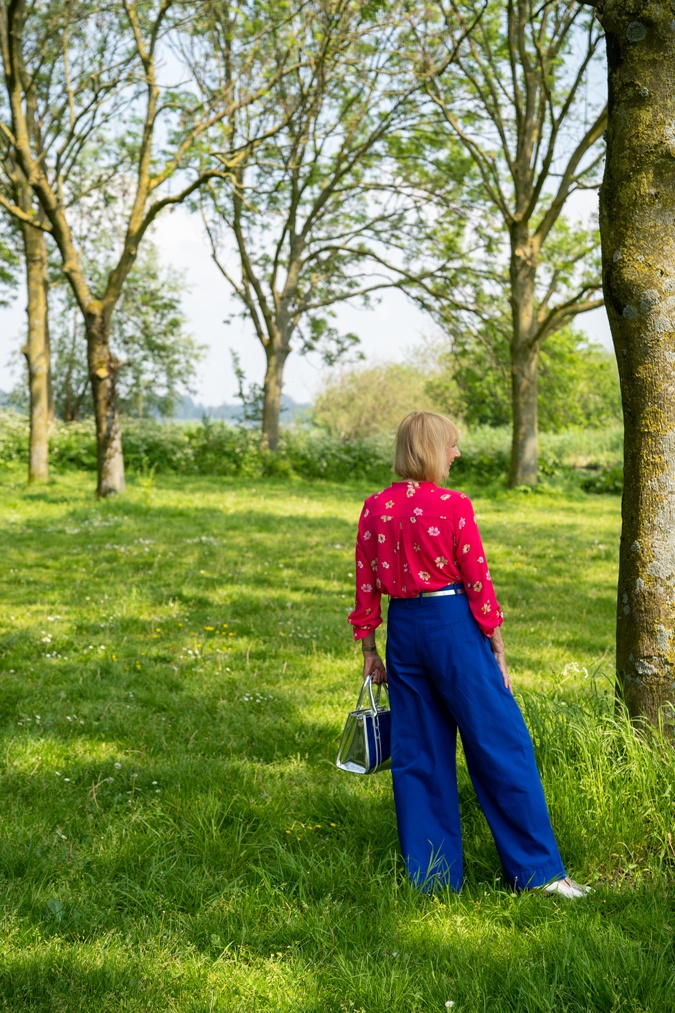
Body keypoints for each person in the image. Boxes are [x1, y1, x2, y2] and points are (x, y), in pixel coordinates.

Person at [347, 411, 588, 898]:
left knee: (420, 753)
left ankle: (433, 881)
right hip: (453, 626)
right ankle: (539, 873)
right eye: (451, 445)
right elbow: (476, 575)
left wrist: (371, 649)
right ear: (431, 449)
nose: (456, 453)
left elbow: (366, 581)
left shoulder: (374, 507)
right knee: (502, 744)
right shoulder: (453, 505)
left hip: (405, 632)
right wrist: (496, 642)